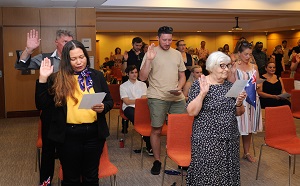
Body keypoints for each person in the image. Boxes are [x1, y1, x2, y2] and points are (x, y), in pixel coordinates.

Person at [35, 40, 113, 185]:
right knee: (71, 178)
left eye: (81, 57)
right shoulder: (58, 78)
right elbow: (41, 105)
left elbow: (109, 101)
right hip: (68, 136)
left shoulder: (96, 76)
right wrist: (43, 79)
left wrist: (104, 107)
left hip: (94, 134)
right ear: (67, 60)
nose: (79, 62)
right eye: (74, 59)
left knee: (91, 177)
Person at [15, 29, 74, 185]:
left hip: (71, 112)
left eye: (71, 42)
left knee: (68, 150)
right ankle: (45, 182)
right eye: (65, 42)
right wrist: (28, 50)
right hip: (50, 112)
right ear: (56, 42)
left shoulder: (75, 59)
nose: (69, 45)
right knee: (48, 151)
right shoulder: (46, 58)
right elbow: (22, 66)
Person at [186, 51, 246, 185]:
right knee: (208, 173)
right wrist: (202, 94)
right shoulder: (199, 84)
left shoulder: (231, 86)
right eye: (222, 66)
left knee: (227, 171)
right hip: (207, 139)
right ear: (212, 67)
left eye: (228, 66)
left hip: (229, 137)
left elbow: (239, 112)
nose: (226, 69)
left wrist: (239, 103)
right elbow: (191, 112)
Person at [139, 26, 186, 175]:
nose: (167, 42)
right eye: (164, 40)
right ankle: (157, 161)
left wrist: (179, 87)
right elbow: (142, 77)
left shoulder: (177, 54)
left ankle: (181, 159)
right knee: (157, 129)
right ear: (158, 38)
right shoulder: (151, 53)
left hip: (176, 97)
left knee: (181, 129)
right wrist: (149, 60)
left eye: (170, 40)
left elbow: (182, 76)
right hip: (157, 96)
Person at [229, 40, 263, 163]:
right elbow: (230, 86)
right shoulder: (234, 66)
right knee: (237, 128)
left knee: (248, 128)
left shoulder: (254, 67)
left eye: (250, 54)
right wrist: (232, 73)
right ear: (239, 53)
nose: (248, 57)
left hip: (252, 100)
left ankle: (246, 152)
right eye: (246, 54)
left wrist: (257, 86)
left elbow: (259, 85)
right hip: (239, 101)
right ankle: (233, 154)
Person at [119, 65, 152, 154]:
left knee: (149, 119)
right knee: (138, 119)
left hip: (141, 108)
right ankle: (149, 144)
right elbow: (126, 102)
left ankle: (150, 144)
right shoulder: (123, 86)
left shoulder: (143, 84)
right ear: (127, 74)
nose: (134, 74)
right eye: (132, 73)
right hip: (128, 108)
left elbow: (144, 99)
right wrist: (138, 101)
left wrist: (134, 101)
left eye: (136, 72)